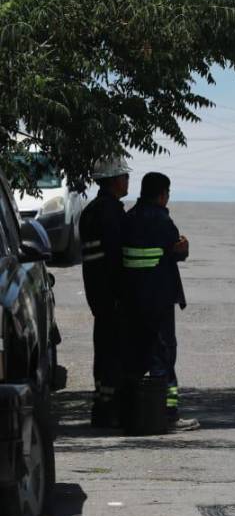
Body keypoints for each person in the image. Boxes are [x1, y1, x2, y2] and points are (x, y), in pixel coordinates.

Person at [121, 172, 198, 431]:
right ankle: (168, 413)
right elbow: (177, 249)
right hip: (159, 298)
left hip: (132, 299)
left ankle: (133, 412)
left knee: (136, 352)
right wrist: (183, 247)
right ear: (162, 194)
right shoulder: (162, 221)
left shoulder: (128, 219)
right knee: (164, 354)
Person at [79, 158, 130, 427]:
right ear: (113, 180)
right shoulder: (110, 213)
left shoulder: (90, 212)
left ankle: (101, 405)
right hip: (112, 296)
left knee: (103, 349)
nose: (127, 182)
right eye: (124, 177)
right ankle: (111, 409)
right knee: (113, 352)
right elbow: (115, 259)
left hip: (97, 295)